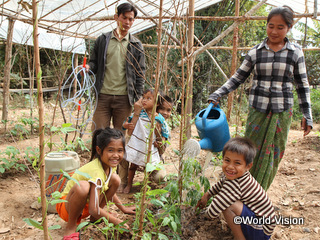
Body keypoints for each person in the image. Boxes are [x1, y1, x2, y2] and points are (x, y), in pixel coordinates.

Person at [208, 6, 313, 190]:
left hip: (282, 113)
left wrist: (307, 114)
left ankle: (259, 194)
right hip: (258, 110)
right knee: (249, 153)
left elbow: (302, 85)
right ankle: (242, 191)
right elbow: (238, 78)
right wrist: (218, 93)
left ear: (289, 27)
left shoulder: (295, 53)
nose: (274, 31)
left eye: (280, 27)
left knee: (274, 154)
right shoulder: (255, 52)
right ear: (266, 26)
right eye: (270, 26)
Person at [56, 128, 135, 240]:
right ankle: (71, 227)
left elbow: (108, 188)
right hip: (67, 208)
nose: (116, 155)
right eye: (111, 150)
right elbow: (93, 209)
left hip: (86, 206)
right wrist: (118, 221)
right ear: (99, 150)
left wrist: (123, 208)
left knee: (115, 179)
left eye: (120, 150)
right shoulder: (96, 171)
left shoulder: (109, 165)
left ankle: (95, 218)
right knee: (83, 187)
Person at [196, 137, 275, 240]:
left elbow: (212, 212)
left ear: (248, 166)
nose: (230, 167)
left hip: (262, 230)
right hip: (262, 223)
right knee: (227, 202)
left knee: (228, 205)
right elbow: (221, 184)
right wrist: (207, 195)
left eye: (237, 163)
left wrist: (201, 216)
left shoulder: (237, 184)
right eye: (227, 160)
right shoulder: (237, 175)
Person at [86, 2, 146, 132]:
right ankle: (97, 153)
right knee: (99, 134)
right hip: (102, 95)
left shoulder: (136, 45)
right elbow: (94, 63)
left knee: (121, 135)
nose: (127, 22)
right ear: (116, 17)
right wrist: (88, 67)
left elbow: (140, 73)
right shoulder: (102, 40)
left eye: (131, 19)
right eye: (124, 18)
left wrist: (139, 96)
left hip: (124, 98)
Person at [123, 89, 170, 193]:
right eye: (143, 97)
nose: (144, 100)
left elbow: (165, 132)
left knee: (148, 167)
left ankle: (145, 185)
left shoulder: (159, 118)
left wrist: (161, 141)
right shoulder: (140, 113)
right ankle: (129, 184)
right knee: (133, 166)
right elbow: (128, 121)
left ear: (157, 103)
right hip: (138, 144)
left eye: (149, 98)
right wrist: (125, 125)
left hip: (150, 146)